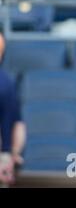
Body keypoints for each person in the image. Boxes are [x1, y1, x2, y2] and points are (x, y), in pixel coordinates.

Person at [0, 33, 26, 186]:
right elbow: (19, 124)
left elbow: (18, 123)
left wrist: (12, 154)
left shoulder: (6, 83)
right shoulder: (8, 81)